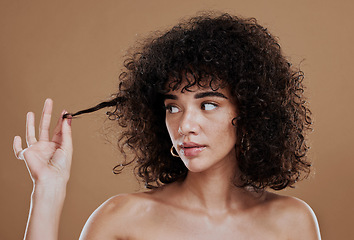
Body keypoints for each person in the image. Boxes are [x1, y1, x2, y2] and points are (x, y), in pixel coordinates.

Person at [13, 13, 321, 239]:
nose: (185, 124)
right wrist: (48, 191)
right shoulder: (122, 218)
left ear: (251, 110)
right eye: (172, 107)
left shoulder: (292, 222)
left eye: (208, 104)